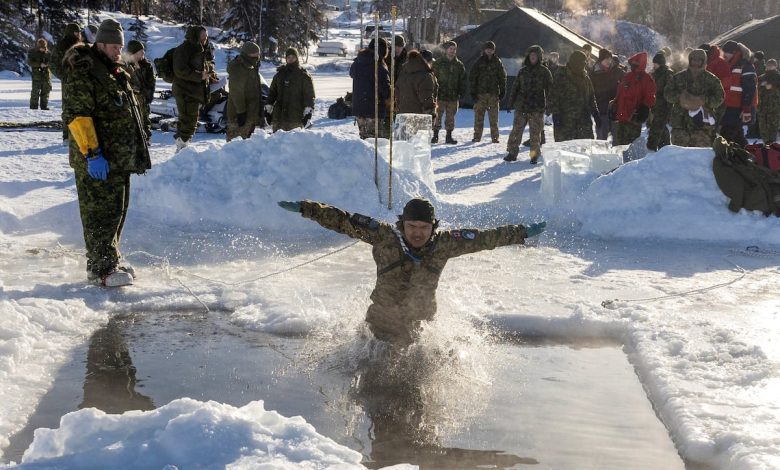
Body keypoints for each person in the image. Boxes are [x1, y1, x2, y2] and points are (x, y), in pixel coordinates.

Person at [277, 198, 545, 346]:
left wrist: (521, 233)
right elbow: (342, 220)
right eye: (412, 226)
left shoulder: (446, 243)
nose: (417, 233)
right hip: (380, 326)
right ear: (402, 224)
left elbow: (488, 238)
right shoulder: (383, 236)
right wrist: (306, 208)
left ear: (433, 227)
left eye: (424, 227)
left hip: (420, 329)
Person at [61, 18, 151, 287]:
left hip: (119, 157)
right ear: (99, 43)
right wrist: (92, 154)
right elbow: (78, 115)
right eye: (113, 46)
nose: (117, 51)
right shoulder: (85, 70)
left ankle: (111, 258)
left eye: (120, 46)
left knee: (116, 211)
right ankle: (101, 268)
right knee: (99, 213)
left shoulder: (115, 70)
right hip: (98, 158)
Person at [664, 48, 724, 147]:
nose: (696, 62)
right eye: (693, 59)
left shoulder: (712, 80)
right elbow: (667, 93)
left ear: (704, 61)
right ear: (689, 60)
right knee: (678, 156)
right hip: (680, 124)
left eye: (699, 60)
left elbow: (720, 97)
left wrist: (704, 100)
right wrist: (680, 97)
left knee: (700, 157)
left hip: (703, 127)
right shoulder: (678, 77)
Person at [504, 45, 552, 164]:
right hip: (521, 106)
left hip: (537, 107)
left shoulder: (544, 71)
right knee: (516, 131)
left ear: (539, 57)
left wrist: (550, 105)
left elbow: (550, 90)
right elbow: (515, 88)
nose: (533, 57)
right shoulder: (523, 71)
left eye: (535, 55)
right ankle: (512, 153)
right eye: (531, 55)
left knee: (535, 133)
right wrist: (510, 102)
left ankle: (534, 155)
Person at [172, 25, 214, 152]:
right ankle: (182, 147)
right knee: (189, 121)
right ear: (195, 35)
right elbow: (180, 70)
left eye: (206, 36)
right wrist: (199, 76)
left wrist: (211, 76)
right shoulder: (184, 49)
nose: (205, 38)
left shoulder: (204, 49)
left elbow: (207, 65)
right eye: (203, 36)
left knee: (187, 120)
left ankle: (181, 146)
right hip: (185, 91)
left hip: (196, 91)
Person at [549, 50, 599, 142]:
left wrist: (595, 113)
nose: (583, 65)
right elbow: (553, 97)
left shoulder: (585, 77)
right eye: (581, 62)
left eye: (584, 62)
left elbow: (591, 97)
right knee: (566, 151)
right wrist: (556, 115)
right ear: (574, 61)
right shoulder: (561, 75)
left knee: (585, 150)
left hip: (583, 122)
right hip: (565, 122)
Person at [265, 47, 315, 132]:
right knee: (276, 142)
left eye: (293, 57)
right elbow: (272, 93)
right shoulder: (279, 75)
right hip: (279, 117)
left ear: (297, 58)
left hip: (295, 117)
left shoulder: (303, 76)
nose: (291, 59)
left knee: (292, 143)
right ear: (286, 59)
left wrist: (307, 114)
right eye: (288, 57)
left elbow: (309, 96)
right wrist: (268, 109)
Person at [350, 38, 392, 139]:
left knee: (364, 140)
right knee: (375, 143)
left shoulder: (357, 63)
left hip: (359, 108)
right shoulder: (379, 67)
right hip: (374, 110)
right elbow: (386, 91)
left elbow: (352, 74)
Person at [611, 52, 656, 146]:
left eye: (637, 62)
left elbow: (650, 96)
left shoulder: (646, 78)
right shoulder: (627, 76)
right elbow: (620, 92)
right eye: (633, 62)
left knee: (631, 146)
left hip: (634, 118)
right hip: (621, 117)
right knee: (618, 146)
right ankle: (620, 160)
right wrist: (614, 104)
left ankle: (631, 161)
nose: (634, 64)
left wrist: (645, 108)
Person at [719, 40, 757, 147]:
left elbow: (750, 89)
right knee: (737, 137)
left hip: (740, 108)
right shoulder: (729, 65)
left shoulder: (746, 65)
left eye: (726, 52)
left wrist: (746, 110)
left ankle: (729, 158)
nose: (723, 55)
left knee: (726, 136)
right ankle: (748, 155)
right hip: (730, 107)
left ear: (734, 52)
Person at [225, 41, 264, 141]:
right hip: (239, 115)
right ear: (248, 53)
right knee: (235, 144)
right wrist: (241, 112)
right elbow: (236, 92)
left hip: (250, 113)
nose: (258, 55)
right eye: (256, 53)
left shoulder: (252, 65)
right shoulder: (239, 67)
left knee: (246, 146)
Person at [469, 41, 506, 143]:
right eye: (487, 49)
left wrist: (502, 91)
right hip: (480, 94)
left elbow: (502, 77)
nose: (489, 50)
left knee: (494, 118)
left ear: (494, 50)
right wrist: (473, 91)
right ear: (484, 50)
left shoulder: (497, 62)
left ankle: (495, 137)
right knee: (479, 117)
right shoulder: (479, 62)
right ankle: (477, 136)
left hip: (493, 94)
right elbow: (473, 77)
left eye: (491, 49)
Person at [431, 41, 466, 145]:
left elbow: (463, 80)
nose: (452, 51)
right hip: (440, 95)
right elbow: (432, 78)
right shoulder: (438, 62)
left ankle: (448, 137)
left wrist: (461, 92)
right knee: (437, 116)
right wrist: (433, 92)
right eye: (451, 48)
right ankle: (435, 136)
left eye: (454, 49)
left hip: (453, 96)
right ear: (446, 49)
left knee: (451, 117)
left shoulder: (459, 65)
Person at [590, 48, 624, 141]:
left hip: (615, 109)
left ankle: (618, 155)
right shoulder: (594, 73)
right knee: (601, 139)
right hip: (601, 110)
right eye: (606, 59)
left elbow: (627, 83)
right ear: (601, 60)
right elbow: (590, 92)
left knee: (617, 139)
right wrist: (594, 110)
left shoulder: (617, 71)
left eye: (610, 59)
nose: (609, 61)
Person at [123, 40, 155, 139]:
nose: (143, 53)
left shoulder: (147, 65)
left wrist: (148, 96)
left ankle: (146, 139)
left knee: (146, 121)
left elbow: (151, 83)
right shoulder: (125, 66)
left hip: (144, 99)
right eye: (140, 51)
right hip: (133, 101)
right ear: (134, 53)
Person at [646, 51, 675, 151]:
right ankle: (665, 151)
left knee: (656, 130)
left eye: (656, 64)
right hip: (654, 106)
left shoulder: (668, 74)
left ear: (661, 63)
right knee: (661, 130)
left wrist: (669, 109)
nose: (654, 65)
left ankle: (653, 150)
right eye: (654, 63)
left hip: (663, 107)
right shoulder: (653, 74)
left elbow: (670, 92)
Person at [395, 50, 436, 118]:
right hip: (419, 115)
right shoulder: (425, 76)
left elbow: (397, 91)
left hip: (403, 114)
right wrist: (431, 112)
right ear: (426, 61)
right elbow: (426, 96)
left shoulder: (404, 72)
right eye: (431, 62)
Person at [757, 59, 780, 144]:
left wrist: (772, 87)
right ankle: (766, 148)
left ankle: (772, 148)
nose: (769, 67)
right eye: (768, 65)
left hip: (775, 109)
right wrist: (761, 86)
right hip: (762, 108)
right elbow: (755, 90)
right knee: (763, 129)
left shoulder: (778, 77)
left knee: (773, 129)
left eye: (771, 65)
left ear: (775, 66)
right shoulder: (761, 77)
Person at [27, 38, 52, 110]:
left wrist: (47, 64)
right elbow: (30, 62)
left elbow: (52, 63)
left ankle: (44, 106)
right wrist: (39, 64)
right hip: (36, 75)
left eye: (44, 47)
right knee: (35, 91)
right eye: (41, 47)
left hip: (46, 75)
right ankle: (33, 107)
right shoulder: (32, 52)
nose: (43, 49)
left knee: (46, 91)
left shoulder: (48, 53)